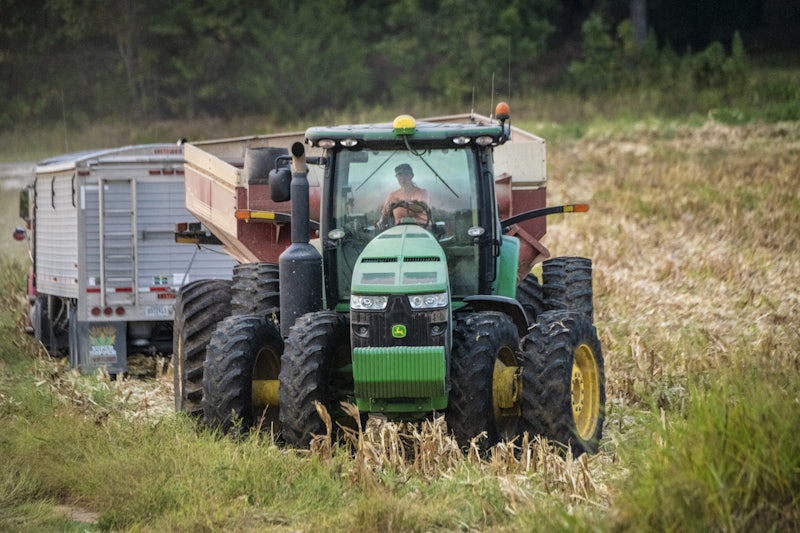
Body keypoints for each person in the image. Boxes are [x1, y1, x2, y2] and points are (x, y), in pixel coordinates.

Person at [379, 163, 430, 228]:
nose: (403, 178)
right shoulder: (392, 195)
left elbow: (422, 207)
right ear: (396, 177)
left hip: (422, 228)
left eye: (406, 174)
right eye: (399, 175)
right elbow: (385, 216)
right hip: (399, 230)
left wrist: (399, 204)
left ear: (412, 175)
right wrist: (380, 223)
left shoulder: (422, 192)